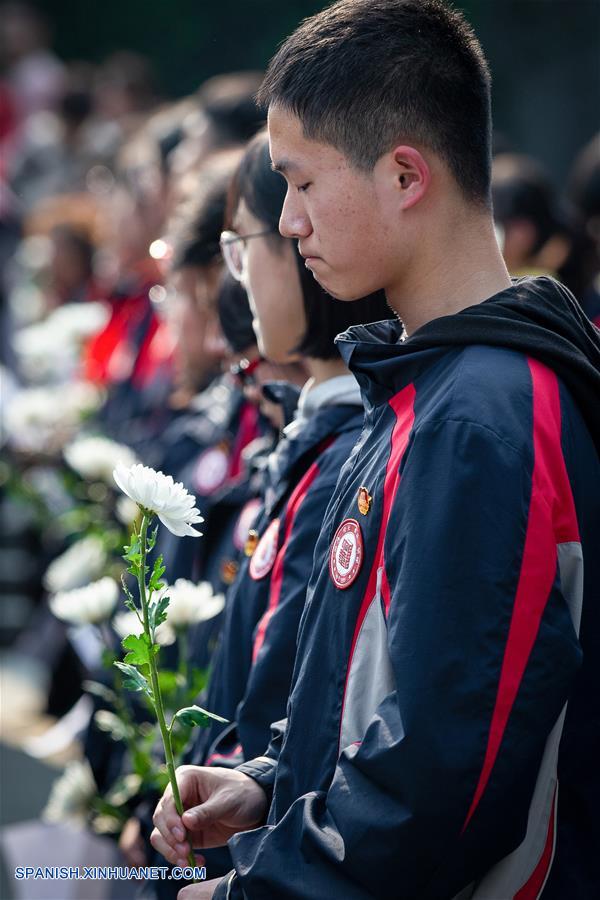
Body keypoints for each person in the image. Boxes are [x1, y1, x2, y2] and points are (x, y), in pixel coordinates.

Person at [151, 2, 600, 898]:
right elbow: (385, 700)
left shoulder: (480, 417)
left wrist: (264, 887)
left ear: (404, 175)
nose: (286, 224)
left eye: (302, 184)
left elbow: (447, 779)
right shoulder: (424, 383)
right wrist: (270, 784)